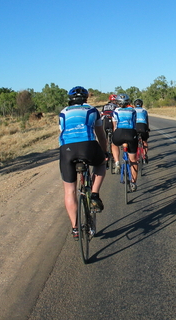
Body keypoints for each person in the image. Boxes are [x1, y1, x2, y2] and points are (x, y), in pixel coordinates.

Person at [59, 86, 107, 240]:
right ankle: (94, 194)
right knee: (100, 164)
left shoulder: (63, 112)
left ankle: (75, 228)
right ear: (86, 98)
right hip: (88, 146)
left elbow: (62, 131)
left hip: (67, 149)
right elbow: (100, 134)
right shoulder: (92, 110)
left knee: (69, 191)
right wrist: (105, 152)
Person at [112, 93, 138, 192]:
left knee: (114, 144)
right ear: (128, 102)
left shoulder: (116, 111)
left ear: (117, 102)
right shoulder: (133, 110)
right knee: (133, 160)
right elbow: (134, 124)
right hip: (131, 134)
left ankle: (117, 162)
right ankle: (133, 183)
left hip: (119, 133)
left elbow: (115, 127)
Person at [100, 94, 119, 160]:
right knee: (114, 139)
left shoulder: (105, 106)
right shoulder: (116, 106)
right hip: (112, 122)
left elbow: (101, 115)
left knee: (104, 138)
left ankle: (104, 155)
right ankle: (114, 154)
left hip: (105, 121)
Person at [133, 98, 150, 163]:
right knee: (144, 141)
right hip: (143, 126)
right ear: (141, 104)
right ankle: (145, 155)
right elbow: (147, 121)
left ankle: (135, 155)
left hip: (135, 126)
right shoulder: (144, 110)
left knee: (134, 142)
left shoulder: (132, 110)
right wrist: (147, 129)